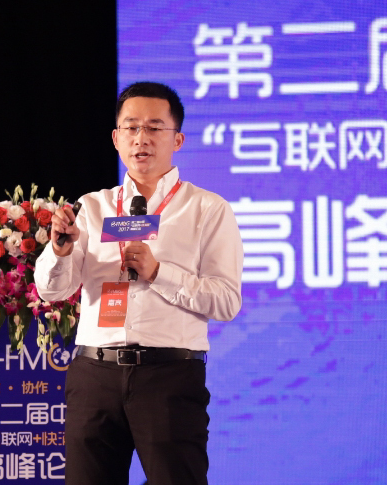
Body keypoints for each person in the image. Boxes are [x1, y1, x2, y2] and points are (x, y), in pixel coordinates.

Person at [34, 81, 242, 485]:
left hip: (168, 376)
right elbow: (51, 291)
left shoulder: (207, 209)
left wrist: (159, 272)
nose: (140, 138)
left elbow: (226, 301)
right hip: (95, 374)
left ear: (177, 139)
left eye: (154, 127)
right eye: (130, 127)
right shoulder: (92, 207)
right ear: (116, 138)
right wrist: (59, 250)